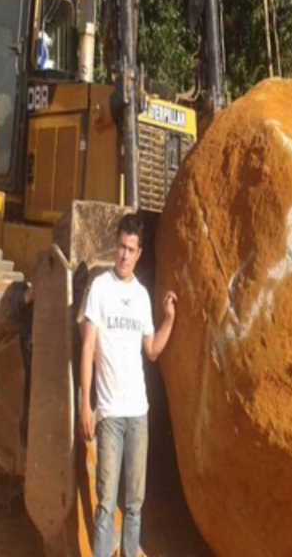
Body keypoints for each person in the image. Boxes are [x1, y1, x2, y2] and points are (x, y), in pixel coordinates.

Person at [80, 213, 177, 557]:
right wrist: (85, 404)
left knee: (135, 505)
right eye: (120, 247)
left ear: (138, 254)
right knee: (106, 504)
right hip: (108, 414)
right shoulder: (100, 288)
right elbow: (88, 346)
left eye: (130, 249)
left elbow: (151, 351)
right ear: (115, 246)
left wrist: (168, 320)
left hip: (138, 415)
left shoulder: (140, 296)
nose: (123, 255)